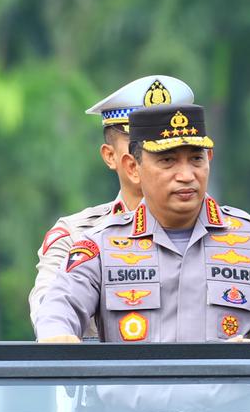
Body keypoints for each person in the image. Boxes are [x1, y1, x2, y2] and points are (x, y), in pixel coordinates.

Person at [33, 102, 250, 349]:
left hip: (228, 397)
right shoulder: (100, 246)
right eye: (168, 160)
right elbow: (58, 307)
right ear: (133, 168)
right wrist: (57, 335)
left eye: (196, 159)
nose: (186, 175)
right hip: (129, 398)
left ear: (209, 160)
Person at [29, 74, 194, 335]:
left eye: (171, 148)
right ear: (111, 156)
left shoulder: (231, 234)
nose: (155, 154)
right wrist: (58, 331)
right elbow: (48, 309)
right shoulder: (76, 236)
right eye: (141, 145)